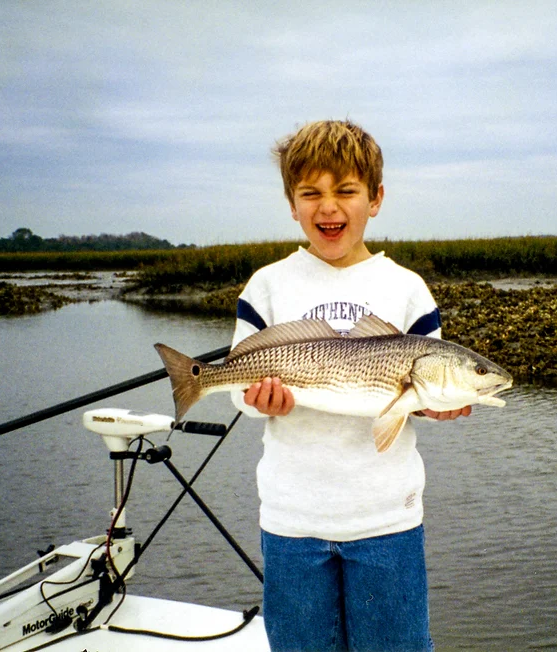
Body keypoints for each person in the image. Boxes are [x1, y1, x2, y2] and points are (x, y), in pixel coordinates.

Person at [231, 119, 471, 651]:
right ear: (291, 204)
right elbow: (238, 392)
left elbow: (423, 391)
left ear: (376, 198)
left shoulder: (407, 289)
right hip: (292, 519)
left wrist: (440, 407)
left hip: (388, 518)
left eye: (346, 191)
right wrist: (256, 400)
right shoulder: (267, 285)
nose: (329, 207)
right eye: (310, 193)